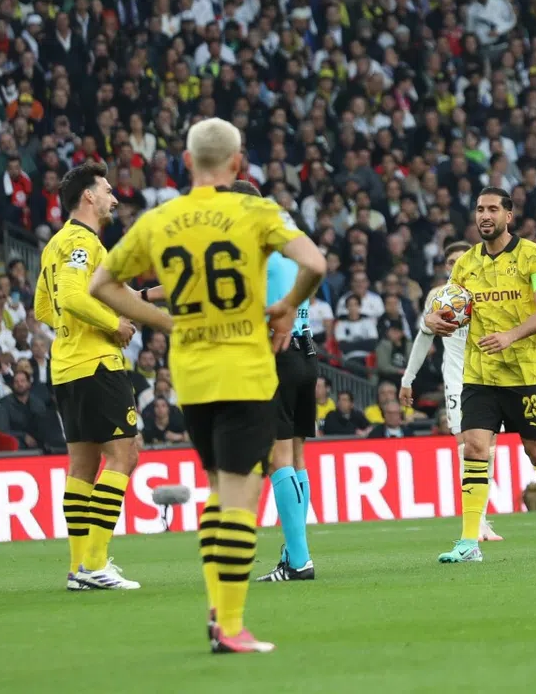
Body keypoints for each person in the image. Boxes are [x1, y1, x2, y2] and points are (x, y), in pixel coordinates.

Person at [88, 118, 327, 655]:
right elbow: (314, 262)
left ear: (188, 162)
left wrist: (165, 321)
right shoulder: (257, 210)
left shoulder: (161, 218)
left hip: (192, 379)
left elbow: (101, 285)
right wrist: (288, 308)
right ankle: (230, 625)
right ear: (237, 164)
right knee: (239, 495)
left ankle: (220, 615)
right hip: (245, 370)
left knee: (220, 490)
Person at [428, 187, 536, 564]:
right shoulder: (466, 265)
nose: (484, 215)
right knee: (474, 448)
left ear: (509, 215)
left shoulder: (532, 257)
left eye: (492, 209)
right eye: (479, 209)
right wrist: (433, 320)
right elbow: (449, 307)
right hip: (480, 373)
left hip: (525, 372)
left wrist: (510, 335)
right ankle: (468, 541)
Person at [33, 160, 144, 592]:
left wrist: (141, 301)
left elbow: (46, 307)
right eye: (108, 190)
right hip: (97, 364)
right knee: (124, 455)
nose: (114, 197)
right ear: (89, 197)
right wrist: (111, 325)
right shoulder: (83, 242)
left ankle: (79, 567)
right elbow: (76, 295)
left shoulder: (55, 245)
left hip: (66, 366)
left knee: (81, 467)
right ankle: (96, 564)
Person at [399, 239, 500, 543]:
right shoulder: (438, 297)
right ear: (445, 266)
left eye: (462, 259)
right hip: (458, 379)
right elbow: (423, 337)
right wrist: (408, 379)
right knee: (468, 446)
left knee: (488, 450)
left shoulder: (488, 290)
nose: (457, 264)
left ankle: (482, 518)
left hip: (489, 377)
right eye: (451, 261)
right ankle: (476, 522)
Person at [257, 182, 319, 584]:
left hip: (274, 356)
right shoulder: (295, 246)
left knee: (276, 459)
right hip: (306, 353)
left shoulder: (257, 254)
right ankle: (293, 553)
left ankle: (299, 560)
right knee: (296, 457)